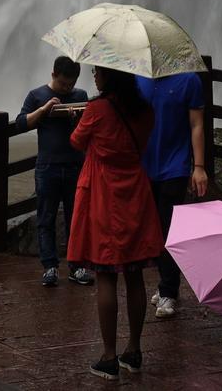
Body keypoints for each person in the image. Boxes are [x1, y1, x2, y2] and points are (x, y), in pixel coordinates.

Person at [67, 66, 164, 380]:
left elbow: (77, 141)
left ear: (110, 75)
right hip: (135, 192)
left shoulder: (96, 109)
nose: (94, 76)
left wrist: (81, 120)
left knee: (106, 273)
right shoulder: (145, 110)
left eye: (98, 71)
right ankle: (134, 350)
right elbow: (141, 143)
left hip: (104, 195)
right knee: (135, 274)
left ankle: (109, 356)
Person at [134, 71, 208, 319]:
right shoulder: (138, 78)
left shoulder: (189, 80)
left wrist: (199, 167)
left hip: (175, 166)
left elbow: (197, 124)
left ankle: (169, 290)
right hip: (145, 165)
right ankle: (164, 282)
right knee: (153, 228)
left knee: (168, 229)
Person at [16, 55, 93, 287]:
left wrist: (77, 118)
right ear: (53, 75)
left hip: (74, 165)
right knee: (46, 218)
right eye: (62, 83)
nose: (67, 88)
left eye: (71, 84)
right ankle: (49, 267)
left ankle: (77, 266)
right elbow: (21, 123)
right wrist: (44, 109)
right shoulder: (37, 95)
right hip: (47, 166)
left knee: (76, 219)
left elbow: (88, 130)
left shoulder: (80, 96)